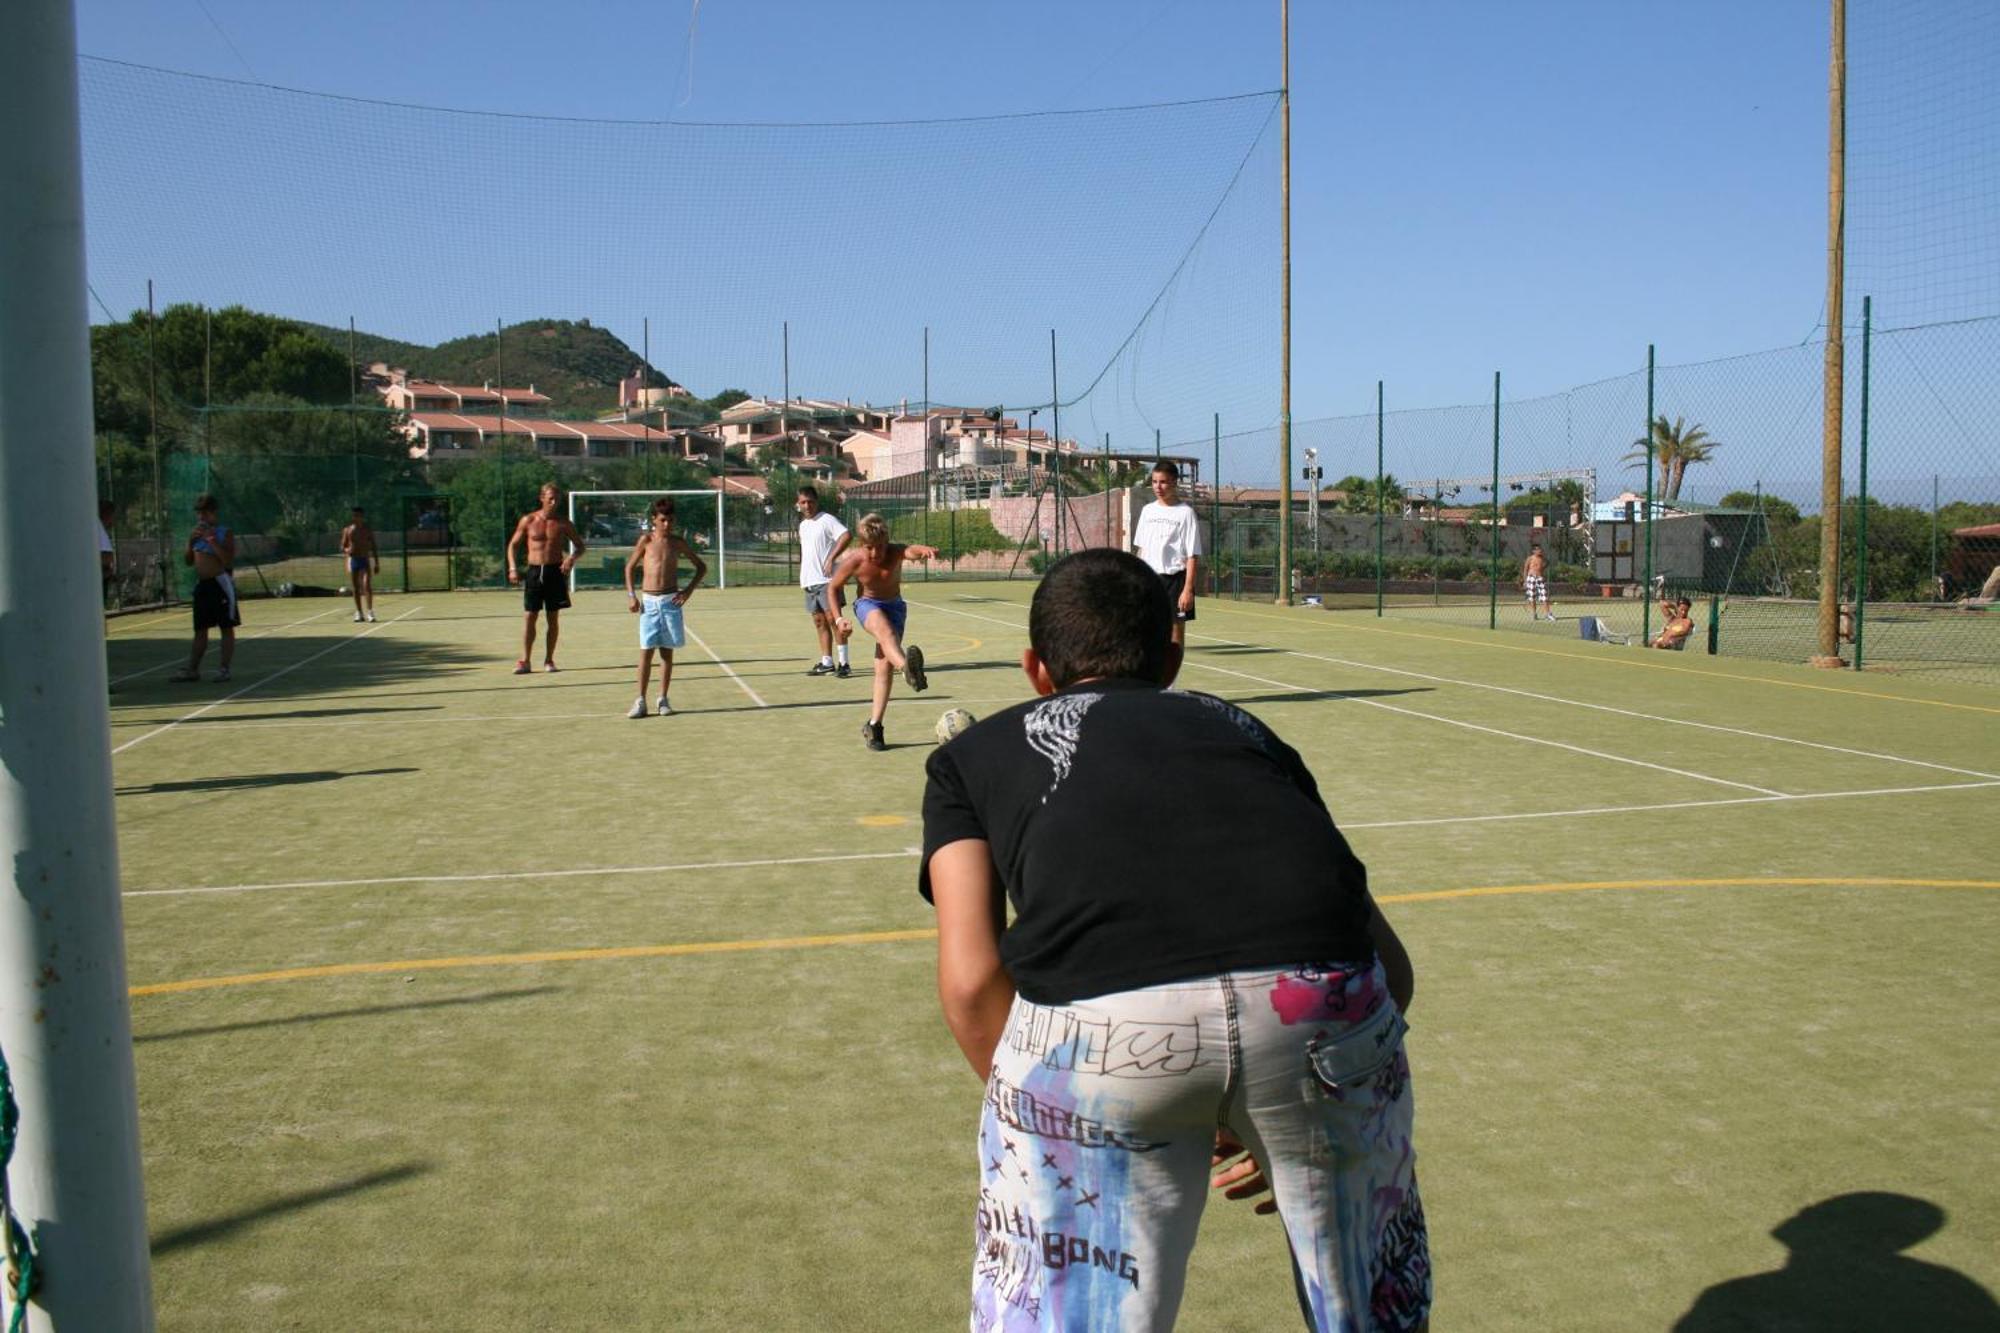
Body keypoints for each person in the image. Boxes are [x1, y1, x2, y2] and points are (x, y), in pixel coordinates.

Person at [920, 548, 1429, 1331]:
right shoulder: (1248, 732)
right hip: (1329, 1008)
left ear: (1035, 670)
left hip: (1098, 1033)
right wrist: (1291, 1107)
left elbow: (970, 983)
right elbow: (1389, 968)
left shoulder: (970, 757)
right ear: (1174, 654)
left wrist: (1077, 1119)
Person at [825, 513, 938, 751]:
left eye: (880, 547)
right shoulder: (855, 560)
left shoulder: (895, 552)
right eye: (870, 548)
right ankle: (907, 669)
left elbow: (910, 550)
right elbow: (833, 588)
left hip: (895, 607)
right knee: (885, 633)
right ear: (860, 544)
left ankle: (874, 726)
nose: (876, 553)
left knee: (882, 668)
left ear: (887, 541)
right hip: (868, 605)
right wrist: (838, 619)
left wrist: (924, 550)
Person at [623, 496, 707, 717]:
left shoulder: (678, 542)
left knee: (666, 653)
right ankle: (640, 701)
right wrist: (632, 596)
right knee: (645, 653)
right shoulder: (646, 541)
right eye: (663, 520)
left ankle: (663, 699)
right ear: (654, 519)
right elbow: (629, 568)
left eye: (670, 520)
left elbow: (701, 567)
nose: (667, 524)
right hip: (648, 603)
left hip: (671, 602)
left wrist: (687, 591)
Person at [505, 482, 585, 674]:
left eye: (557, 498)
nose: (554, 501)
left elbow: (580, 546)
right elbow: (513, 545)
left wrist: (571, 558)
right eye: (550, 498)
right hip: (534, 572)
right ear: (542, 498)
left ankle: (549, 660)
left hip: (555, 573)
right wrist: (513, 568)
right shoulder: (529, 520)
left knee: (553, 618)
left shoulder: (563, 523)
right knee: (529, 617)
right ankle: (525, 660)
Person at [1131, 460, 1202, 646]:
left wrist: (1188, 590)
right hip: (1150, 580)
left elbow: (1192, 555)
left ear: (1174, 482)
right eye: (1154, 482)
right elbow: (1141, 549)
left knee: (1175, 636)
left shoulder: (1186, 513)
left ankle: (1173, 672)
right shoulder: (1148, 511)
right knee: (1147, 631)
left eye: (1163, 482)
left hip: (1175, 582)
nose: (1158, 487)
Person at [171, 494, 240, 683]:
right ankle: (193, 670)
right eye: (199, 513)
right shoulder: (196, 534)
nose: (201, 517)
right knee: (200, 629)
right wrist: (190, 543)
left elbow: (227, 560)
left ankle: (224, 669)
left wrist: (211, 540)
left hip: (220, 584)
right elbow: (188, 561)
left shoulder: (224, 532)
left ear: (213, 513)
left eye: (205, 513)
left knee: (226, 627)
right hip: (203, 586)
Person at [797, 484, 854, 677]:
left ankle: (844, 663)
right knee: (819, 622)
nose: (807, 506)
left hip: (827, 581)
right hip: (810, 581)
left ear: (816, 502)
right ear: (798, 504)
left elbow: (846, 535)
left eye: (810, 502)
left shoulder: (827, 520)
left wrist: (831, 558)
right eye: (803, 502)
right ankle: (827, 662)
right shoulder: (803, 525)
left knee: (833, 620)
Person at [340, 506, 379, 623]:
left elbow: (373, 546)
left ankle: (370, 612)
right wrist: (348, 550)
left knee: (367, 585)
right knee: (356, 587)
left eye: (360, 516)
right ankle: (359, 613)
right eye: (355, 516)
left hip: (365, 560)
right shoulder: (347, 530)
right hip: (354, 560)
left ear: (363, 517)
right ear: (353, 517)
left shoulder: (367, 530)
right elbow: (342, 546)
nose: (358, 518)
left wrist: (377, 563)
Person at [1521, 543, 1554, 622]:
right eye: (1538, 549)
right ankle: (1534, 613)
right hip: (1531, 578)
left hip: (1540, 578)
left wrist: (1542, 569)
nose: (1540, 551)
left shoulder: (1542, 558)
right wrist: (1525, 581)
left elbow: (1547, 563)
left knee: (1544, 597)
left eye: (1540, 549)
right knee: (1532, 597)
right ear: (1533, 551)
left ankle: (1548, 614)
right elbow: (1525, 569)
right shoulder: (1530, 558)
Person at [97, 500, 116, 609]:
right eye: (112, 516)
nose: (113, 520)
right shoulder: (98, 527)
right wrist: (107, 570)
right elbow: (106, 556)